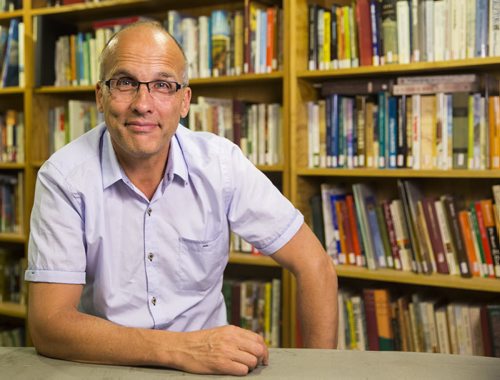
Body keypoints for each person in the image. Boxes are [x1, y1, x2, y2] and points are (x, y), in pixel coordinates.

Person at [25, 21, 338, 376]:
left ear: (184, 101)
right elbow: (49, 325)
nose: (143, 104)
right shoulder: (64, 177)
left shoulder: (221, 165)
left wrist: (319, 373)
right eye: (125, 83)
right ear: (100, 96)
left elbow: (316, 267)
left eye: (163, 85)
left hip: (210, 371)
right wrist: (182, 349)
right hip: (106, 367)